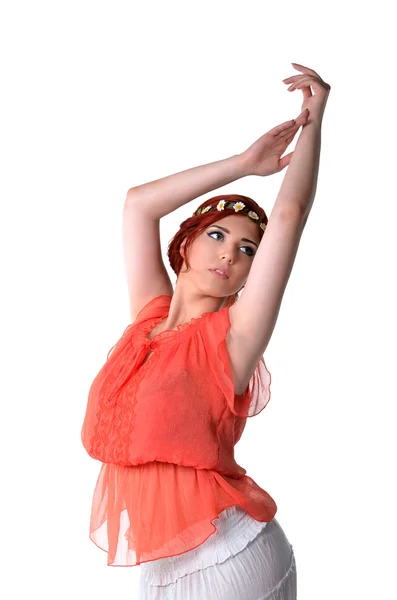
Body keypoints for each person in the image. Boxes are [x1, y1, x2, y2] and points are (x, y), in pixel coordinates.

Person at [81, 62, 331, 599]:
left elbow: (289, 214)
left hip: (233, 554)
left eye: (247, 250)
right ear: (185, 245)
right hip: (165, 559)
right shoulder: (147, 322)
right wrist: (244, 164)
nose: (230, 254)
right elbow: (139, 204)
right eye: (217, 234)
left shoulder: (232, 339)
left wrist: (315, 121)